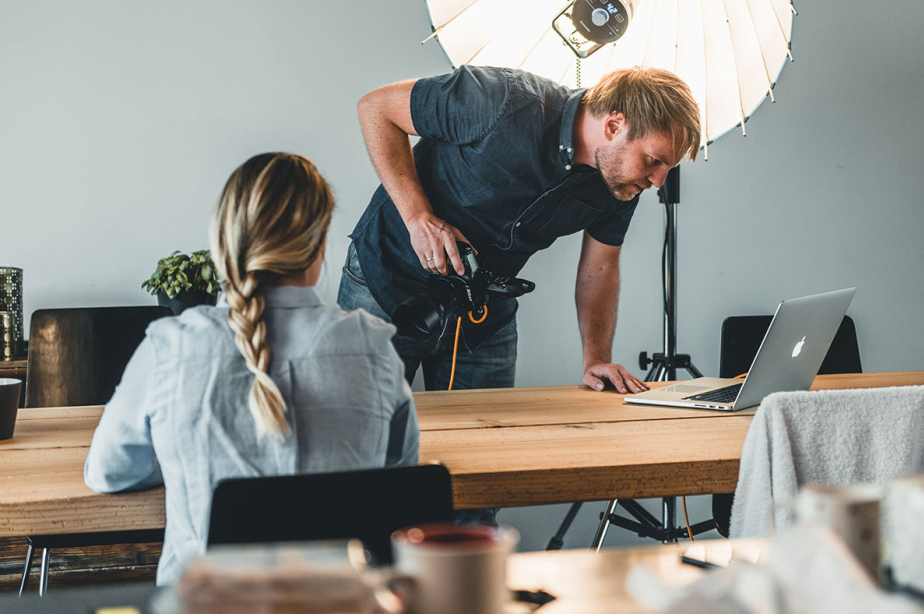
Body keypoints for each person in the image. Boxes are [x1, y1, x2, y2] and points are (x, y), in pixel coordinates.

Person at [85, 153, 419, 585]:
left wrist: (176, 455)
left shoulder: (170, 348)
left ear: (223, 243)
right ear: (318, 247)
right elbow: (398, 472)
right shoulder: (374, 349)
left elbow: (108, 471)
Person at [339, 65, 702, 395]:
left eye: (666, 168)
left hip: (482, 318)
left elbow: (600, 267)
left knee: (488, 456)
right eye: (654, 161)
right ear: (613, 126)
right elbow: (376, 108)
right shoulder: (498, 99)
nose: (657, 181)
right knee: (363, 444)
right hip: (384, 283)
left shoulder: (621, 184)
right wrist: (418, 217)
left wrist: (595, 360)